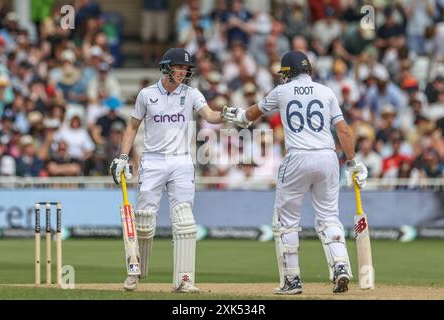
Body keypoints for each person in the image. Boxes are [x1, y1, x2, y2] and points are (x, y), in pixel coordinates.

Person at [222, 50, 368, 294]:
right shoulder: (327, 92)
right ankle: (340, 266)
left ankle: (292, 281)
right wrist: (353, 162)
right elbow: (343, 131)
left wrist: (236, 114)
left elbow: (250, 115)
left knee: (285, 222)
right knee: (329, 217)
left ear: (288, 72)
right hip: (328, 157)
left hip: (298, 157)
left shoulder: (282, 91)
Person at [109, 48, 224, 293]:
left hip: (182, 161)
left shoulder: (192, 94)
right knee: (143, 221)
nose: (183, 72)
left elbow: (211, 115)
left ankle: (184, 281)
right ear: (166, 68)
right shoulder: (146, 94)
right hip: (152, 160)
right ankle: (134, 272)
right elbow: (131, 127)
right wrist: (122, 157)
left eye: (186, 68)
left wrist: (230, 115)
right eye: (179, 67)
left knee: (184, 220)